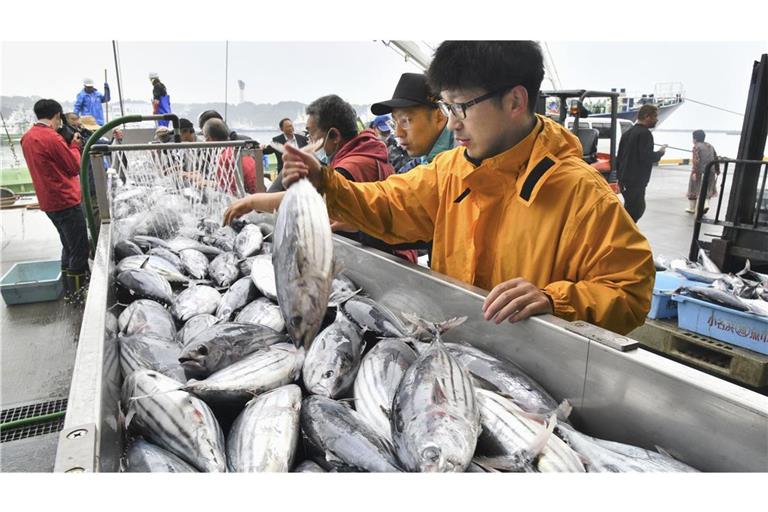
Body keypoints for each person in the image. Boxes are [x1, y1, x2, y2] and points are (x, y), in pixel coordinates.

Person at [275, 41, 654, 335]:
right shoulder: (450, 170)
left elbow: (629, 291)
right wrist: (326, 181)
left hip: (532, 383)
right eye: (447, 107)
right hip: (454, 351)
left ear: (515, 101)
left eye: (461, 108)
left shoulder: (581, 195)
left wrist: (556, 300)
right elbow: (387, 205)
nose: (452, 124)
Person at [225, 94, 418, 263]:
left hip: (386, 260)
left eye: (311, 133)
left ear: (333, 135)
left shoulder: (352, 166)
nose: (308, 140)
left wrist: (252, 201)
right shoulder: (366, 151)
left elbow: (309, 203)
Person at [20, 99, 89, 301]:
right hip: (66, 200)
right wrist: (75, 146)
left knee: (68, 246)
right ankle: (78, 295)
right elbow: (73, 166)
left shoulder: (27, 137)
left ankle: (68, 291)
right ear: (57, 116)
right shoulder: (51, 138)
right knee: (79, 248)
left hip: (48, 202)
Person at [370, 72, 454, 173]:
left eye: (405, 120)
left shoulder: (466, 160)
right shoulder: (424, 161)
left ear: (439, 117)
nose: (397, 133)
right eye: (394, 123)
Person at [616, 104, 667, 223]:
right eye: (655, 116)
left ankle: (625, 232)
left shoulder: (627, 133)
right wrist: (660, 153)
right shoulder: (645, 134)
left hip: (625, 178)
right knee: (637, 209)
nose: (657, 119)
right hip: (636, 179)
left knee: (631, 207)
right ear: (646, 116)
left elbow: (620, 157)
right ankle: (624, 234)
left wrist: (619, 177)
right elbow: (647, 157)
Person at [197, 118, 258, 194]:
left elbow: (227, 190)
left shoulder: (225, 158)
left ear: (209, 139)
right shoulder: (236, 150)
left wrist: (205, 183)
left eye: (205, 138)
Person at [686, 129, 720, 214]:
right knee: (708, 189)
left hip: (699, 171)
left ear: (695, 139)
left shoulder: (696, 147)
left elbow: (696, 160)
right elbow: (716, 157)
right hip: (711, 171)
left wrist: (694, 172)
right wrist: (717, 169)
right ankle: (706, 204)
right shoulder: (710, 146)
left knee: (693, 188)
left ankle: (692, 208)